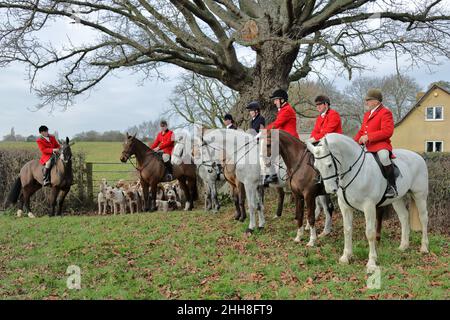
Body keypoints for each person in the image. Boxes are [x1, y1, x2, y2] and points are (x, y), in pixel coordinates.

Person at [354, 88, 397, 198]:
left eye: (368, 100)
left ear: (376, 101)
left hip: (381, 145)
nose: (366, 102)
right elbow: (361, 131)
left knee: (384, 157)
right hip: (367, 146)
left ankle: (392, 186)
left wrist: (368, 137)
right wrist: (353, 142)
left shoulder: (385, 112)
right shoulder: (367, 114)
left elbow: (388, 131)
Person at [263, 89, 299, 186]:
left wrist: (262, 132)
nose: (274, 102)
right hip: (283, 138)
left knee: (269, 150)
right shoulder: (283, 110)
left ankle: (273, 175)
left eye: (276, 100)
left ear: (282, 100)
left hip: (290, 139)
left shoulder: (287, 110)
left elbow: (276, 124)